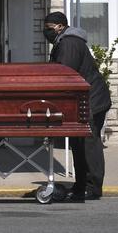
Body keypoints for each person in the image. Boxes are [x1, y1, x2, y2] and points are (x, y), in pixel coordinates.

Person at [43, 11, 112, 201]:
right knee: (78, 144)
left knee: (89, 144)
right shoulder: (63, 42)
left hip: (91, 100)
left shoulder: (69, 43)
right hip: (83, 100)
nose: (46, 31)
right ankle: (81, 185)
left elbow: (65, 72)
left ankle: (93, 187)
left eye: (49, 28)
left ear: (60, 26)